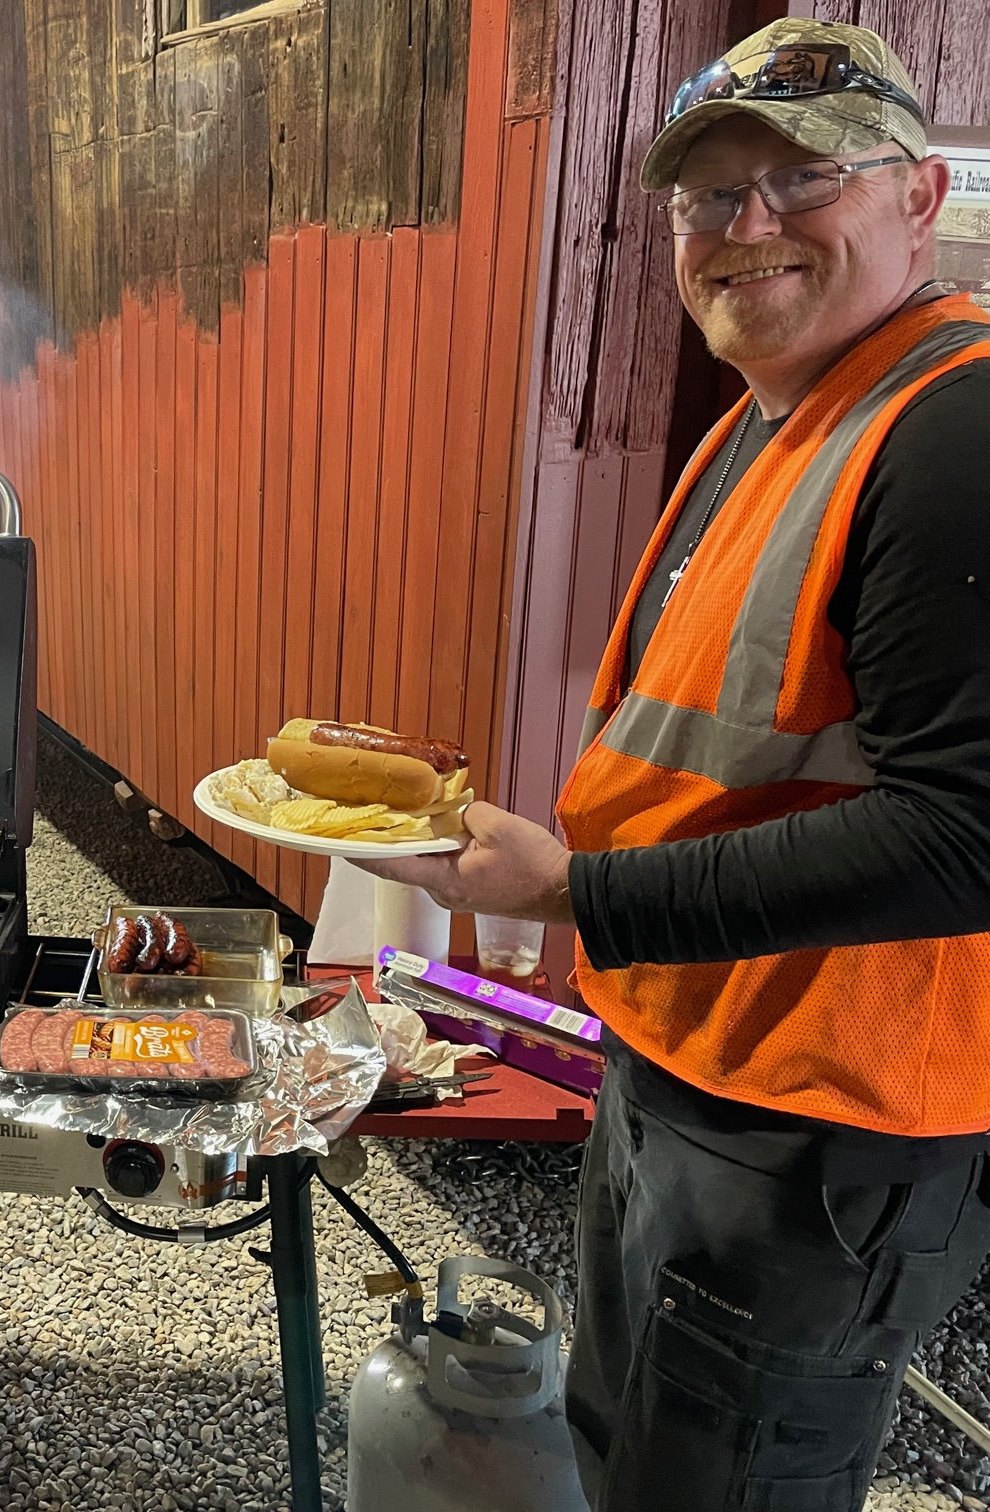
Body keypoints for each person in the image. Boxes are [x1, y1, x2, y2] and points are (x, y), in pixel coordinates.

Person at [356, 20, 990, 1511]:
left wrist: (582, 890)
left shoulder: (954, 433)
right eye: (710, 198)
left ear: (918, 195)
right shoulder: (774, 420)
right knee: (622, 1450)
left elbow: (966, 835)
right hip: (680, 1061)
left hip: (821, 1128)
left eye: (800, 180)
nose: (744, 226)